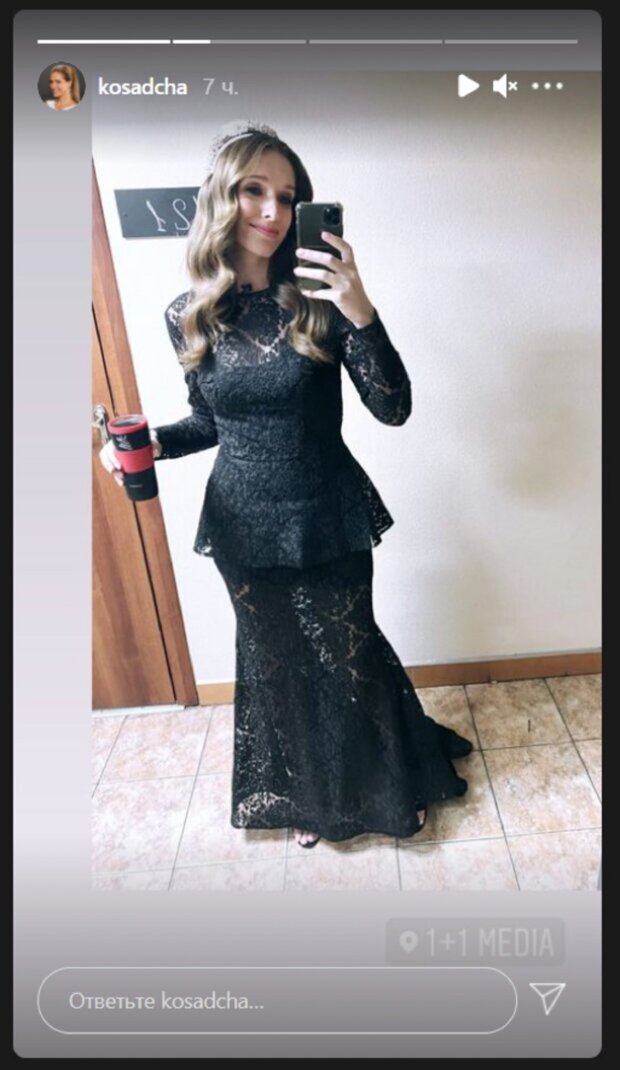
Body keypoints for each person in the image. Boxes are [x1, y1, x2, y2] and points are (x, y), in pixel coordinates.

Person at [99, 119, 473, 850]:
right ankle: (310, 797)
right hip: (241, 520)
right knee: (277, 667)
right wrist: (149, 444)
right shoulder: (188, 314)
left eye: (288, 196)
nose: (272, 212)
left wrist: (361, 309)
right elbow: (208, 423)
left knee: (350, 655)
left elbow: (393, 407)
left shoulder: (322, 303)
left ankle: (389, 783)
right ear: (222, 197)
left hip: (327, 509)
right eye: (253, 191)